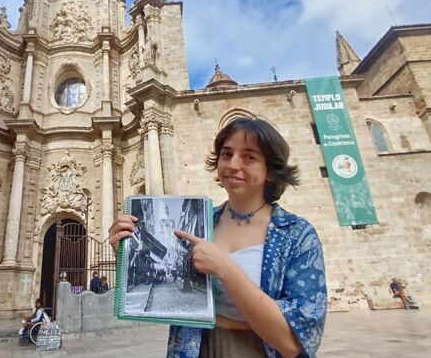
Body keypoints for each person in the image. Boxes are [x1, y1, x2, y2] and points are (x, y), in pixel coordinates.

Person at [108, 118, 327, 357]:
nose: (233, 165)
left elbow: (294, 342)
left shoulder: (297, 234)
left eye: (249, 157)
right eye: (226, 154)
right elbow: (167, 290)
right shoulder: (203, 221)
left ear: (271, 172)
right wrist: (128, 251)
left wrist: (224, 268)